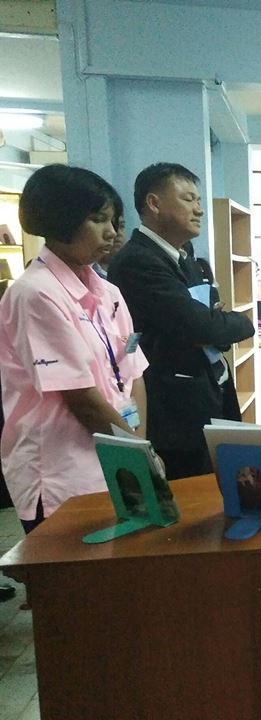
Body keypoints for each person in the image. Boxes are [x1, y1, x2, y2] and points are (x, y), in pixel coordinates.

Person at [0, 164, 148, 532]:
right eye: (98, 220)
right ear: (60, 219)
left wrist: (138, 445)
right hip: (63, 473)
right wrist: (135, 456)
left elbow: (134, 373)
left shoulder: (108, 292)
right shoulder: (36, 293)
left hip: (116, 455)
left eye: (113, 220)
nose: (111, 232)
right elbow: (80, 397)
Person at [109, 162, 254, 480]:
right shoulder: (138, 261)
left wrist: (215, 324)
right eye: (189, 199)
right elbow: (202, 325)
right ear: (154, 203)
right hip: (176, 413)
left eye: (199, 201)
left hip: (209, 391)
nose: (199, 209)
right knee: (192, 496)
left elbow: (211, 325)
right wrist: (237, 323)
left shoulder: (186, 258)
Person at [93, 189, 126, 278]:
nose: (115, 233)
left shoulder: (132, 272)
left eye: (121, 226)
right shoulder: (84, 275)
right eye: (100, 220)